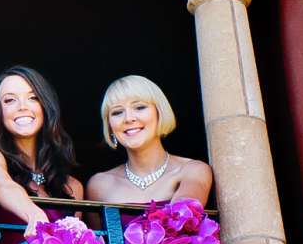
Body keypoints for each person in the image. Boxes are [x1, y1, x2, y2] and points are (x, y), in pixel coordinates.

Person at [85, 74, 213, 206]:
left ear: (160, 112)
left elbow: (183, 218)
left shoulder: (193, 170)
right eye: (117, 112)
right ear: (110, 126)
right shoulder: (99, 185)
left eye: (140, 107)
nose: (128, 118)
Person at [0, 65, 84, 222]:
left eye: (33, 98)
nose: (22, 107)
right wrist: (34, 215)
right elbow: (2, 187)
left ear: (45, 106)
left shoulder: (73, 186)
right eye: (10, 100)